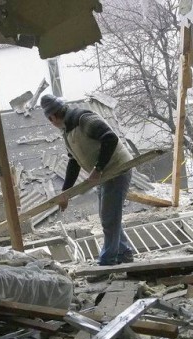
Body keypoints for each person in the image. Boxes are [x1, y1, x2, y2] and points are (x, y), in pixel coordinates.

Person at [40, 94, 134, 266]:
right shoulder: (68, 130)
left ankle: (108, 260)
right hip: (106, 174)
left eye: (49, 120)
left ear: (52, 117)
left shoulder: (83, 119)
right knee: (108, 216)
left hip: (117, 170)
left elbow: (110, 138)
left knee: (108, 218)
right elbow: (73, 162)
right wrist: (65, 193)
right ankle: (124, 252)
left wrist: (97, 169)